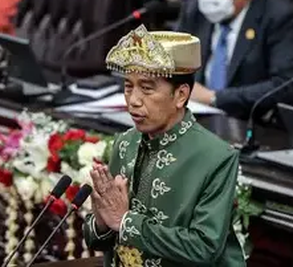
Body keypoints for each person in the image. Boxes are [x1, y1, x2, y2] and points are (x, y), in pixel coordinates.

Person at [83, 24, 245, 267]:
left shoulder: (216, 158)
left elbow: (204, 248)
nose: (134, 101)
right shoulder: (125, 143)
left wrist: (125, 221)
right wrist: (103, 221)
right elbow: (99, 241)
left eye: (147, 88)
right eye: (128, 86)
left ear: (180, 95)